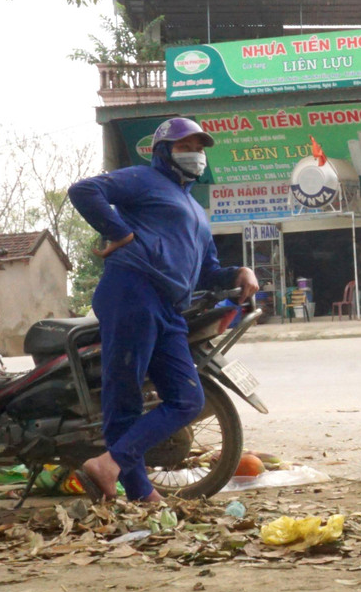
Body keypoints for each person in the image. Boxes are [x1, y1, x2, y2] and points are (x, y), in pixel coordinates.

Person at [68, 117, 259, 502]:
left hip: (171, 307)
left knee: (188, 399)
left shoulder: (197, 212)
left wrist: (239, 273)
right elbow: (84, 191)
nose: (195, 155)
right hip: (132, 289)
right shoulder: (143, 179)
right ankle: (139, 491)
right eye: (185, 147)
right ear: (162, 152)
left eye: (199, 148)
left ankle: (109, 464)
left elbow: (205, 272)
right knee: (125, 396)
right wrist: (120, 232)